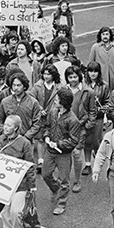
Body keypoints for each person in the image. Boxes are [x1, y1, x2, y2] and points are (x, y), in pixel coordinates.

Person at [0, 114, 36, 228]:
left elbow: (30, 164)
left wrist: (32, 185)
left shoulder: (25, 143)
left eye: (9, 125)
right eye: (5, 124)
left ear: (16, 128)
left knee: (16, 211)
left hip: (20, 184)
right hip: (2, 182)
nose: (5, 127)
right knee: (4, 210)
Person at [41, 87, 81, 216]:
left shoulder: (73, 120)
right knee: (46, 174)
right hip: (50, 151)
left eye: (57, 99)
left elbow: (73, 141)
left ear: (63, 102)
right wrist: (46, 136)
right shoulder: (53, 112)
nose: (54, 101)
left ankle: (61, 203)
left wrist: (57, 143)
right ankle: (55, 188)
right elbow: (47, 126)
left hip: (63, 154)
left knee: (64, 180)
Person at [64, 65, 96, 193]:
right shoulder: (63, 90)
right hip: (65, 128)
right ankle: (65, 181)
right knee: (65, 156)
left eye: (75, 77)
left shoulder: (88, 92)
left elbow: (92, 111)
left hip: (80, 127)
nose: (73, 79)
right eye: (70, 77)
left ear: (79, 77)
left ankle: (77, 181)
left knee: (77, 154)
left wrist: (87, 126)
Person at [0, 72, 43, 146]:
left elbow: (37, 123)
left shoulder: (33, 102)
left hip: (26, 141)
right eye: (14, 85)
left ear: (24, 86)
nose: (15, 88)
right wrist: (5, 133)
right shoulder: (5, 101)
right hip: (7, 141)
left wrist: (26, 137)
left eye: (18, 85)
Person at [28, 64, 62, 166]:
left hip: (53, 115)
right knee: (40, 138)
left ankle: (51, 160)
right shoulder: (38, 85)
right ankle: (40, 160)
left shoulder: (58, 86)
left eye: (49, 74)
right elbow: (31, 97)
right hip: (40, 116)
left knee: (52, 137)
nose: (46, 76)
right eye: (44, 74)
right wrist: (39, 108)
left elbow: (60, 100)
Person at [82, 62, 111, 176]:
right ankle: (88, 164)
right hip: (86, 117)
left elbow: (108, 102)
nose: (93, 74)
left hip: (98, 117)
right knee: (86, 141)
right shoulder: (84, 84)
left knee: (96, 140)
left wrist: (103, 109)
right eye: (90, 71)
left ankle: (99, 157)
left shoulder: (104, 85)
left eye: (95, 71)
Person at [87, 26, 114, 92]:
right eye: (103, 34)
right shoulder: (95, 47)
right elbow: (90, 63)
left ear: (110, 35)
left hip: (113, 78)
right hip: (100, 78)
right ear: (100, 36)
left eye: (107, 34)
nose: (105, 36)